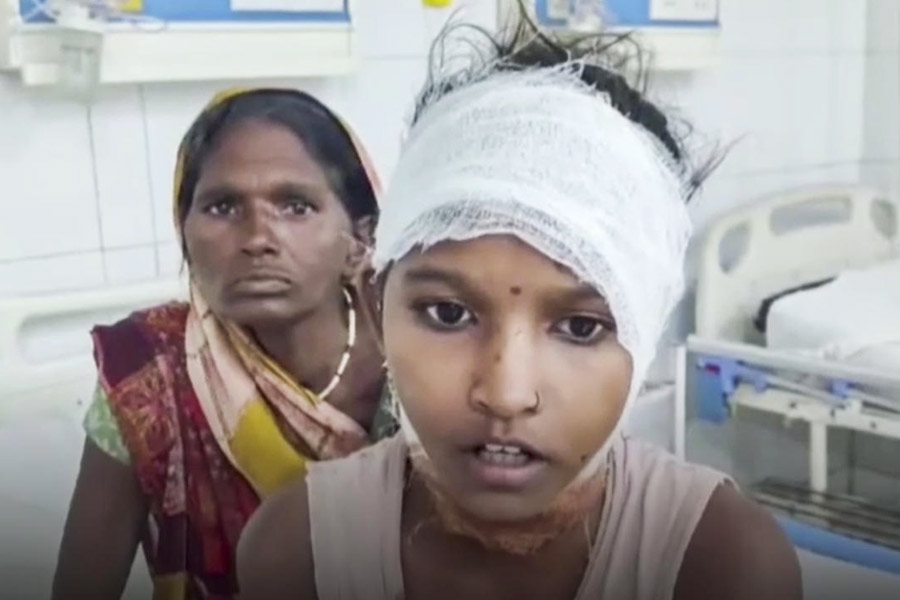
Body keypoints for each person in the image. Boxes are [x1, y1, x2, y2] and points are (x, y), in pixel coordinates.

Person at [237, 19, 802, 600]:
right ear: (379, 310)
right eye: (449, 315)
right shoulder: (298, 554)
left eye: (581, 327)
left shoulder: (721, 568)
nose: (506, 394)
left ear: (644, 333)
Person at [53, 88, 393, 600]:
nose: (257, 237)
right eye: (223, 206)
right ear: (184, 233)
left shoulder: (415, 361)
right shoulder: (150, 373)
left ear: (360, 241)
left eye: (296, 206)